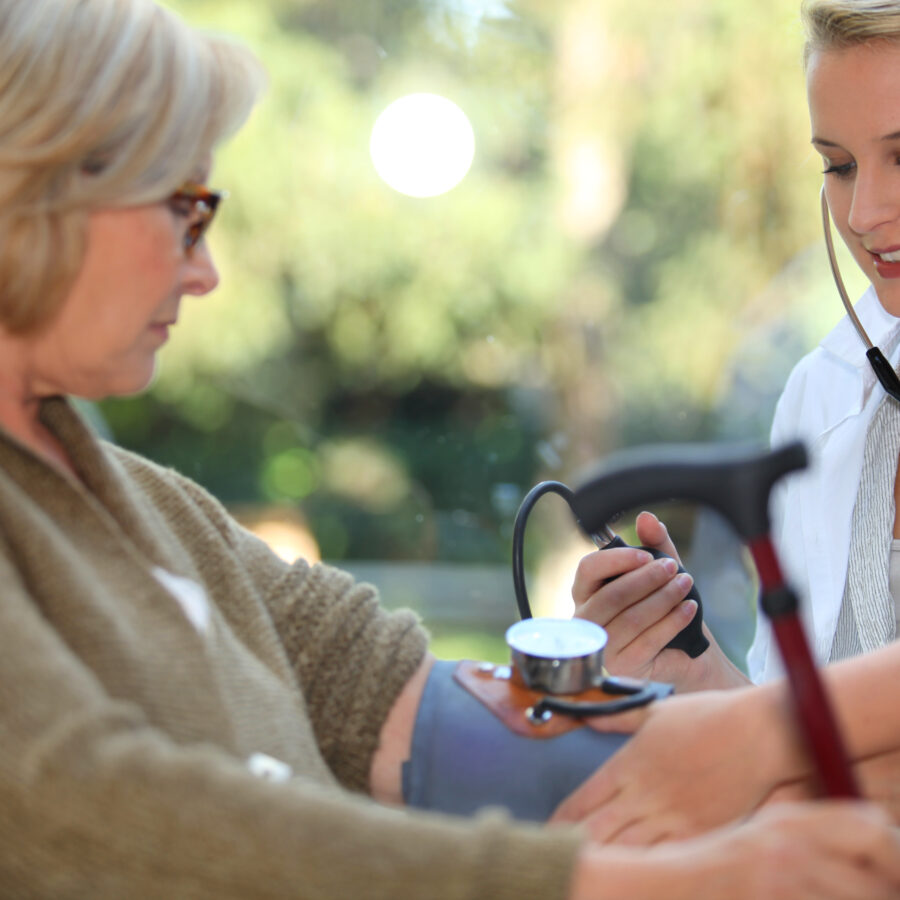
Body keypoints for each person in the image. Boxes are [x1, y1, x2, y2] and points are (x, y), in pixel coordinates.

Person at [3, 0, 900, 898]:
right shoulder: (828, 394)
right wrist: (642, 874)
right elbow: (97, 803)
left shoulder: (128, 498)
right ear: (37, 195)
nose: (206, 271)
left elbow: (369, 684)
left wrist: (719, 735)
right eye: (184, 209)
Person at [551, 0, 900, 852]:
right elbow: (804, 750)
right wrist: (691, 674)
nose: (864, 214)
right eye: (839, 165)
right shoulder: (825, 397)